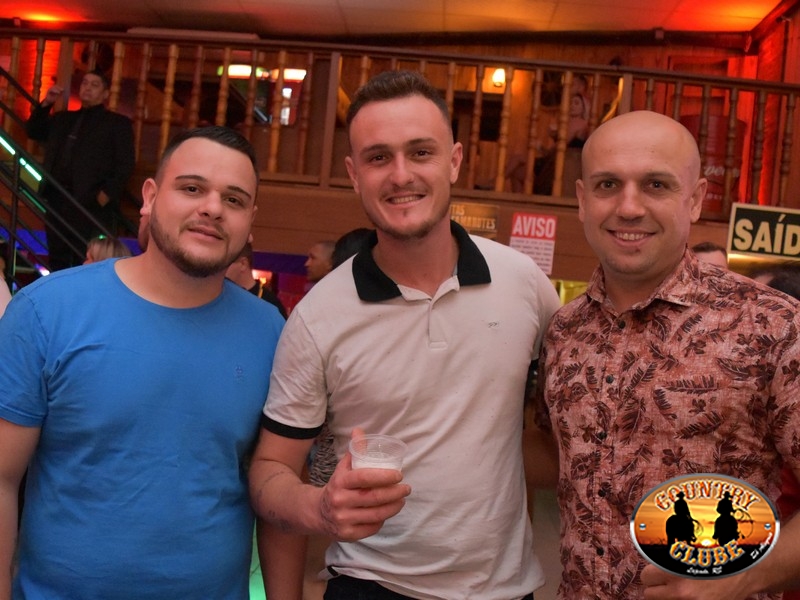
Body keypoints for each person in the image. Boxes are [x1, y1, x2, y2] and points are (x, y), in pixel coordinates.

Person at [249, 70, 561, 600]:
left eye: (420, 152)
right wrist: (318, 506)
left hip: (505, 590)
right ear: (354, 173)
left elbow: (566, 427)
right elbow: (270, 468)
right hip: (371, 585)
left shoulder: (523, 282)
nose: (400, 175)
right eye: (378, 157)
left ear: (454, 161)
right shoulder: (318, 316)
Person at [0, 126, 284, 599]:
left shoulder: (271, 333)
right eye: (191, 188)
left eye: (233, 200)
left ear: (250, 221)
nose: (213, 208)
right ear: (150, 197)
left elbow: (274, 482)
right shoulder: (46, 311)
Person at [534, 110, 800, 599]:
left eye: (656, 185)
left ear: (694, 199)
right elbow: (557, 458)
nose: (629, 207)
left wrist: (742, 578)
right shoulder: (563, 331)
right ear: (582, 200)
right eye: (608, 184)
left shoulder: (773, 325)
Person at [26, 68, 135, 271]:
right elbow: (33, 131)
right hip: (57, 197)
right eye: (85, 83)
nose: (87, 88)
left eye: (94, 85)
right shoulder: (63, 119)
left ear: (105, 93)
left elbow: (125, 163)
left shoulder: (117, 123)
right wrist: (47, 103)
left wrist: (105, 195)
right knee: (56, 255)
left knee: (84, 256)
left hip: (88, 201)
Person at [226, 241, 288, 318]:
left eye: (226, 263)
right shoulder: (223, 297)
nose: (221, 269)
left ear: (243, 264)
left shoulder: (270, 304)